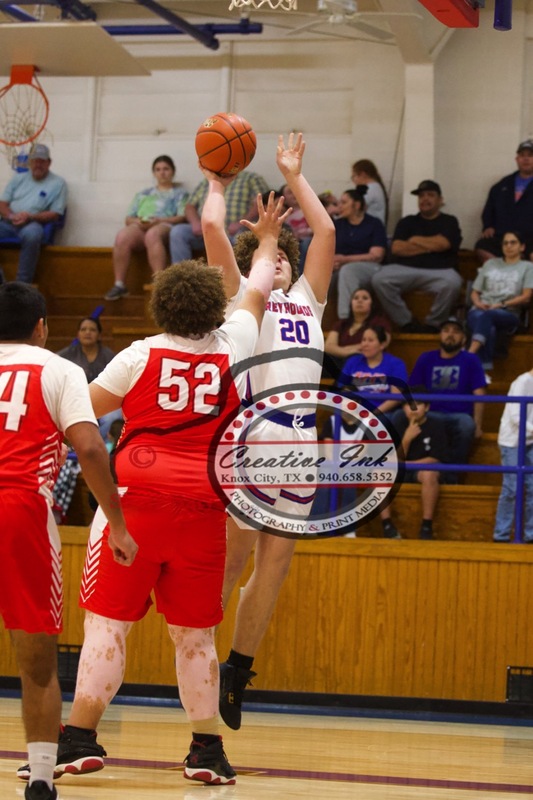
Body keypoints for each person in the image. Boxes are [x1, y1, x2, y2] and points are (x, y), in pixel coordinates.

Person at [17, 191, 287, 788]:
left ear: (161, 307)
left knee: (107, 627)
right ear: (213, 308)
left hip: (135, 508)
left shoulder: (137, 356)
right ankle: (207, 750)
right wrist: (266, 236)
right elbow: (258, 286)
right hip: (203, 512)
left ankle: (80, 739)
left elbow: (79, 416)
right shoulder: (236, 343)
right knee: (195, 637)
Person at [203, 132, 335, 731]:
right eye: (271, 256)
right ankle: (197, 657)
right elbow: (214, 240)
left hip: (301, 446)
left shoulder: (310, 297)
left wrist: (294, 173)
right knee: (232, 567)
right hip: (252, 442)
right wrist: (251, 227)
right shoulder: (243, 299)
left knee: (274, 568)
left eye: (285, 254)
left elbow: (327, 233)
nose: (280, 260)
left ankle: (237, 667)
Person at [0, 282, 136, 800]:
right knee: (36, 661)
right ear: (41, 328)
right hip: (19, 509)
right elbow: (89, 449)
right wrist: (117, 523)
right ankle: (38, 779)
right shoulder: (59, 369)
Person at [371, 180, 463, 333]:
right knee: (379, 279)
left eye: (430, 195)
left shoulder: (449, 221)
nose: (425, 199)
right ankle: (407, 322)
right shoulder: (407, 222)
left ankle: (433, 324)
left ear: (440, 200)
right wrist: (430, 247)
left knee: (453, 283)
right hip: (404, 269)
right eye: (421, 196)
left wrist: (414, 240)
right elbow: (397, 248)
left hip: (440, 271)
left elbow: (443, 244)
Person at [409, 317, 487, 482]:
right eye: (446, 331)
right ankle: (404, 474)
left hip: (458, 415)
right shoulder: (426, 358)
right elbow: (413, 390)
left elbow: (479, 392)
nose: (450, 335)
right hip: (430, 413)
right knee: (397, 418)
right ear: (439, 335)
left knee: (467, 425)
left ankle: (451, 475)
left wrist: (478, 424)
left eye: (456, 331)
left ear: (464, 338)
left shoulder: (471, 360)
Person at [104, 155, 188, 300]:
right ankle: (119, 284)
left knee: (153, 234)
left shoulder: (180, 194)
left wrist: (159, 220)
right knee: (122, 235)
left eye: (166, 169)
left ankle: (159, 281)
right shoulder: (143, 194)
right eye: (158, 169)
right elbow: (128, 218)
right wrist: (138, 222)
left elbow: (181, 216)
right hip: (142, 225)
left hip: (165, 225)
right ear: (154, 173)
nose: (162, 173)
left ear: (173, 172)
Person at [169, 169, 269, 264]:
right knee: (178, 232)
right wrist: (195, 222)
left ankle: (235, 280)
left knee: (241, 238)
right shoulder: (207, 182)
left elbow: (262, 203)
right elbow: (190, 206)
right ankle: (182, 277)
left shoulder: (251, 178)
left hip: (236, 230)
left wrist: (241, 223)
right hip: (205, 232)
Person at [0, 144, 67, 283]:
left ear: (49, 163)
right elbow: (2, 204)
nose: (38, 164)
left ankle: (22, 285)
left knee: (33, 235)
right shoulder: (18, 179)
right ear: (30, 162)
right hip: (9, 222)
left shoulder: (58, 183)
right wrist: (12, 216)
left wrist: (29, 216)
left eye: (42, 161)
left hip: (33, 223)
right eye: (36, 160)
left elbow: (55, 214)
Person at [467, 231, 533, 370]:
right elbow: (475, 292)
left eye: (513, 242)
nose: (508, 246)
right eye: (505, 243)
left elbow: (526, 296)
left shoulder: (528, 267)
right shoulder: (490, 263)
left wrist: (501, 304)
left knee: (489, 316)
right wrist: (478, 303)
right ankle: (484, 368)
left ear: (522, 247)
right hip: (481, 308)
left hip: (507, 311)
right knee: (487, 326)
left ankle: (470, 355)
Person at [392, 389, 449, 540]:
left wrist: (407, 464)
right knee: (378, 472)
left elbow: (436, 458)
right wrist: (406, 439)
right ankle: (387, 526)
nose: (413, 409)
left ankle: (426, 526)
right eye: (408, 405)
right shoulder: (398, 423)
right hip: (401, 469)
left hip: (421, 470)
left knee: (429, 475)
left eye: (418, 405)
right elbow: (392, 458)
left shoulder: (436, 425)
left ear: (427, 407)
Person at [56, 317, 122, 439]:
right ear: (78, 334)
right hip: (74, 401)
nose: (87, 332)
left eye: (92, 330)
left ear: (99, 335)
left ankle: (100, 447)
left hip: (104, 400)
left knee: (114, 417)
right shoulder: (65, 355)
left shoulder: (109, 356)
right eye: (83, 329)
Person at [475, 139, 533, 264]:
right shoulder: (501, 186)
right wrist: (488, 226)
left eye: (530, 155)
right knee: (482, 246)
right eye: (522, 155)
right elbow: (488, 211)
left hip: (530, 239)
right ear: (517, 159)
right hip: (504, 238)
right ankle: (504, 275)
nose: (526, 159)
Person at [334, 187, 388, 319]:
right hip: (340, 267)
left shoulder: (374, 224)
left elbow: (376, 255)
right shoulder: (337, 224)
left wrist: (345, 259)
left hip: (370, 267)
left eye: (344, 202)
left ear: (357, 205)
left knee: (348, 270)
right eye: (339, 203)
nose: (339, 206)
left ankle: (345, 319)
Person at [493, 368, 533, 543]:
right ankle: (501, 535)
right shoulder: (522, 382)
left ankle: (530, 535)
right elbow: (516, 416)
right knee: (512, 488)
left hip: (530, 440)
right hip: (512, 441)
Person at [339, 324, 408, 416]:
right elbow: (343, 390)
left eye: (370, 340)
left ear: (382, 345)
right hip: (354, 412)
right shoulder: (352, 362)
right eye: (363, 340)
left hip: (383, 414)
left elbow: (396, 396)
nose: (365, 344)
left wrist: (372, 414)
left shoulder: (396, 364)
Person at [324, 287, 391, 371]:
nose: (360, 301)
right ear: (351, 303)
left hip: (366, 362)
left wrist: (343, 350)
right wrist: (348, 351)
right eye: (356, 298)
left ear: (372, 303)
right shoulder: (342, 324)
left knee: (356, 358)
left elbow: (381, 343)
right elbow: (328, 346)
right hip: (340, 362)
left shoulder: (379, 322)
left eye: (365, 298)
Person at [351, 158, 388, 225]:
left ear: (363, 174)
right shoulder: (374, 187)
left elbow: (354, 207)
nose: (353, 180)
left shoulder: (371, 189)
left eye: (354, 176)